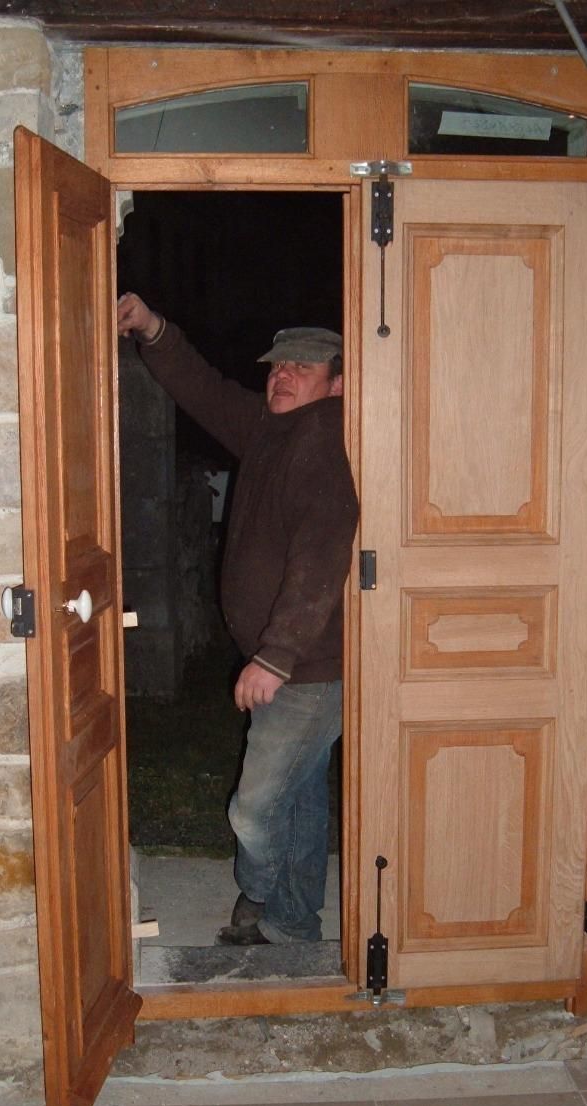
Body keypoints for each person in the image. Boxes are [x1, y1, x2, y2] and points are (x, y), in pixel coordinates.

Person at [117, 293, 359, 945]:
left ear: (338, 384)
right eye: (278, 367)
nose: (283, 376)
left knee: (254, 810)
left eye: (302, 370)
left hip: (306, 668)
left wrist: (275, 658)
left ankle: (260, 899)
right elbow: (203, 388)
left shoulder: (327, 441)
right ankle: (292, 916)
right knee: (299, 799)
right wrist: (154, 327)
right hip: (293, 666)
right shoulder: (274, 428)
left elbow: (320, 560)